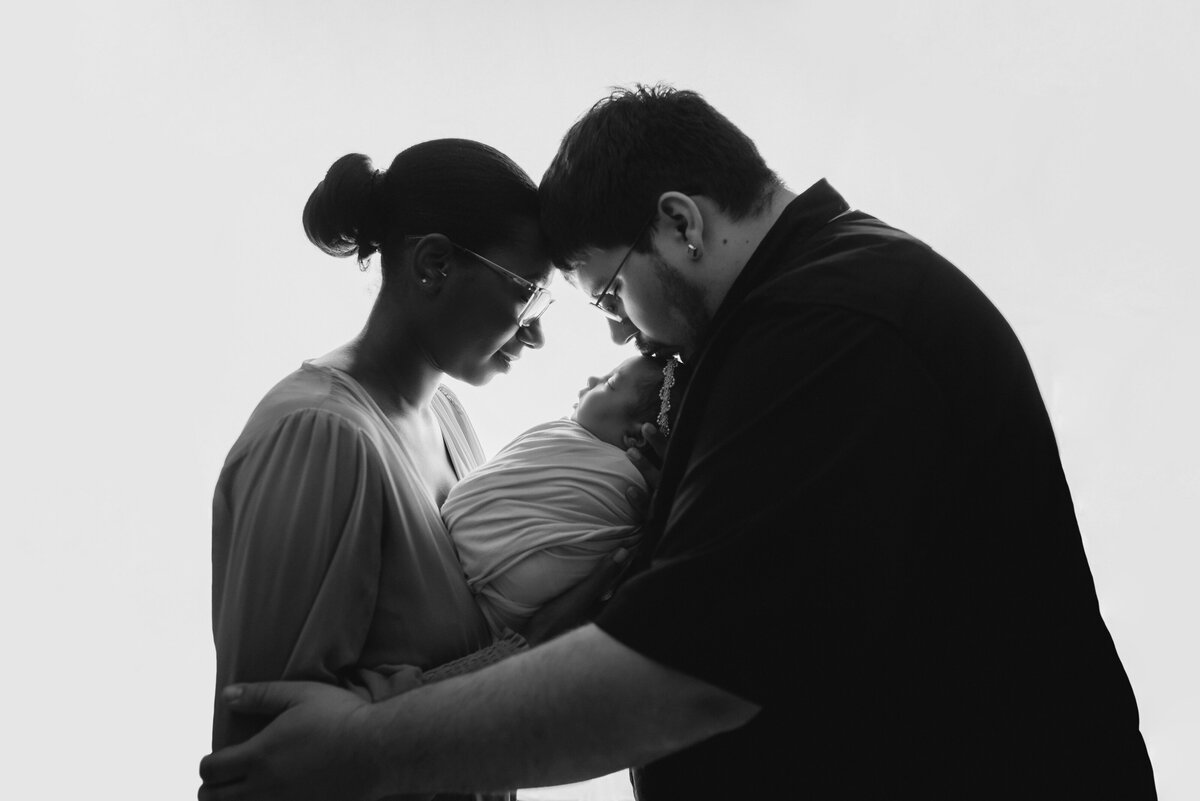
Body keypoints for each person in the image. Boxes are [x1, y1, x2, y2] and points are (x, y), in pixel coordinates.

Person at [199, 87, 1158, 800]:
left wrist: (365, 750)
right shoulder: (794, 327)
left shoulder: (836, 332)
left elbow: (684, 673)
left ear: (680, 223)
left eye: (608, 293)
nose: (619, 334)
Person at [208, 139, 629, 792]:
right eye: (525, 294)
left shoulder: (449, 419)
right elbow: (266, 753)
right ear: (433, 264)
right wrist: (533, 644)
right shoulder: (318, 435)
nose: (536, 331)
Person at [445, 354, 683, 637]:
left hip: (465, 580)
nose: (592, 380)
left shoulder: (621, 479)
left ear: (636, 437)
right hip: (502, 618)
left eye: (609, 382)